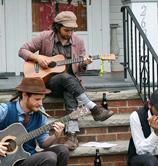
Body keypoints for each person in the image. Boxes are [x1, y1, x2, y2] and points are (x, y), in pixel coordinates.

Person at [18, 11, 114, 150]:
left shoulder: (78, 41)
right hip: (46, 83)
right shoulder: (45, 37)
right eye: (66, 30)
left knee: (69, 90)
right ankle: (93, 108)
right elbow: (22, 51)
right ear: (57, 27)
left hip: (70, 85)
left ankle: (72, 135)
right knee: (64, 77)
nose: (70, 33)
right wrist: (38, 58)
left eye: (73, 30)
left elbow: (80, 70)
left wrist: (85, 63)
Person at [0, 77, 69, 166]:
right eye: (37, 99)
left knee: (62, 151)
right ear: (24, 95)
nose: (40, 103)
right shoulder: (4, 110)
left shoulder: (40, 113)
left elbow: (43, 144)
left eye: (42, 99)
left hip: (28, 157)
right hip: (6, 161)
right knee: (49, 157)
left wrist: (55, 136)